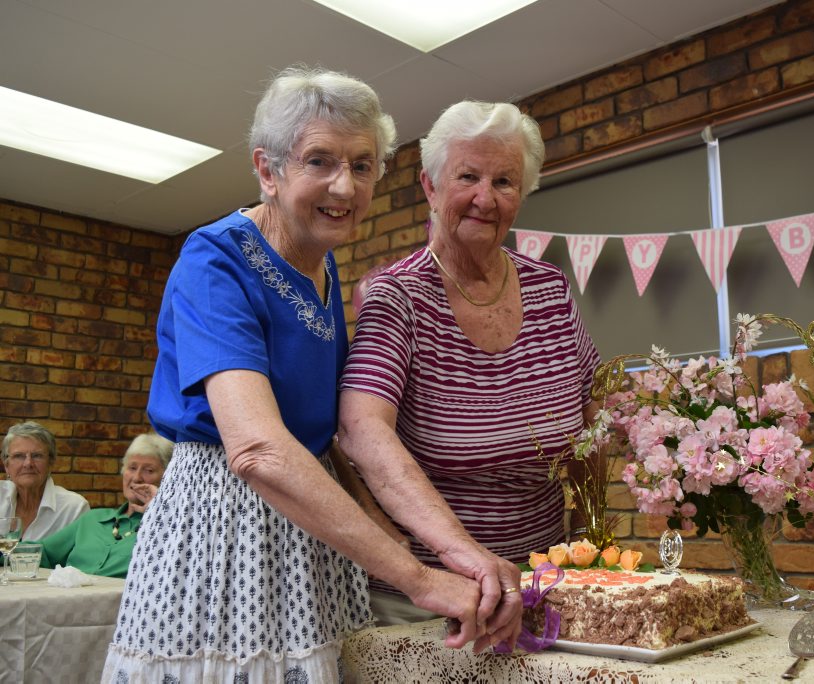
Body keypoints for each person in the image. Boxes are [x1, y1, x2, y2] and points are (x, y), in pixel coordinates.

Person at [103, 67, 521, 683]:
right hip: (226, 529)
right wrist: (420, 579)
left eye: (362, 164)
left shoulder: (321, 271)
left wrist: (427, 544)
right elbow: (258, 448)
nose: (344, 185)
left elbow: (328, 432)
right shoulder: (215, 257)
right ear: (268, 171)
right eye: (319, 161)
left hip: (309, 539)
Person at [338, 100, 603, 624]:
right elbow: (361, 430)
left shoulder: (550, 290)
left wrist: (592, 534)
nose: (486, 197)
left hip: (540, 581)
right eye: (468, 177)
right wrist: (468, 560)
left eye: (505, 182)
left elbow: (592, 415)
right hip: (428, 594)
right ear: (431, 188)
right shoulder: (399, 298)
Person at [37, 432, 172, 577]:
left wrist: (161, 510)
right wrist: (10, 546)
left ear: (168, 477)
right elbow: (40, 552)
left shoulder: (169, 527)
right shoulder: (93, 519)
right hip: (69, 597)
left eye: (149, 470)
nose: (137, 478)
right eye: (132, 468)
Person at [1, 421, 89, 539]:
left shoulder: (74, 508)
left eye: (37, 455)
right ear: (6, 466)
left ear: (50, 463)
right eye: (19, 456)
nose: (28, 463)